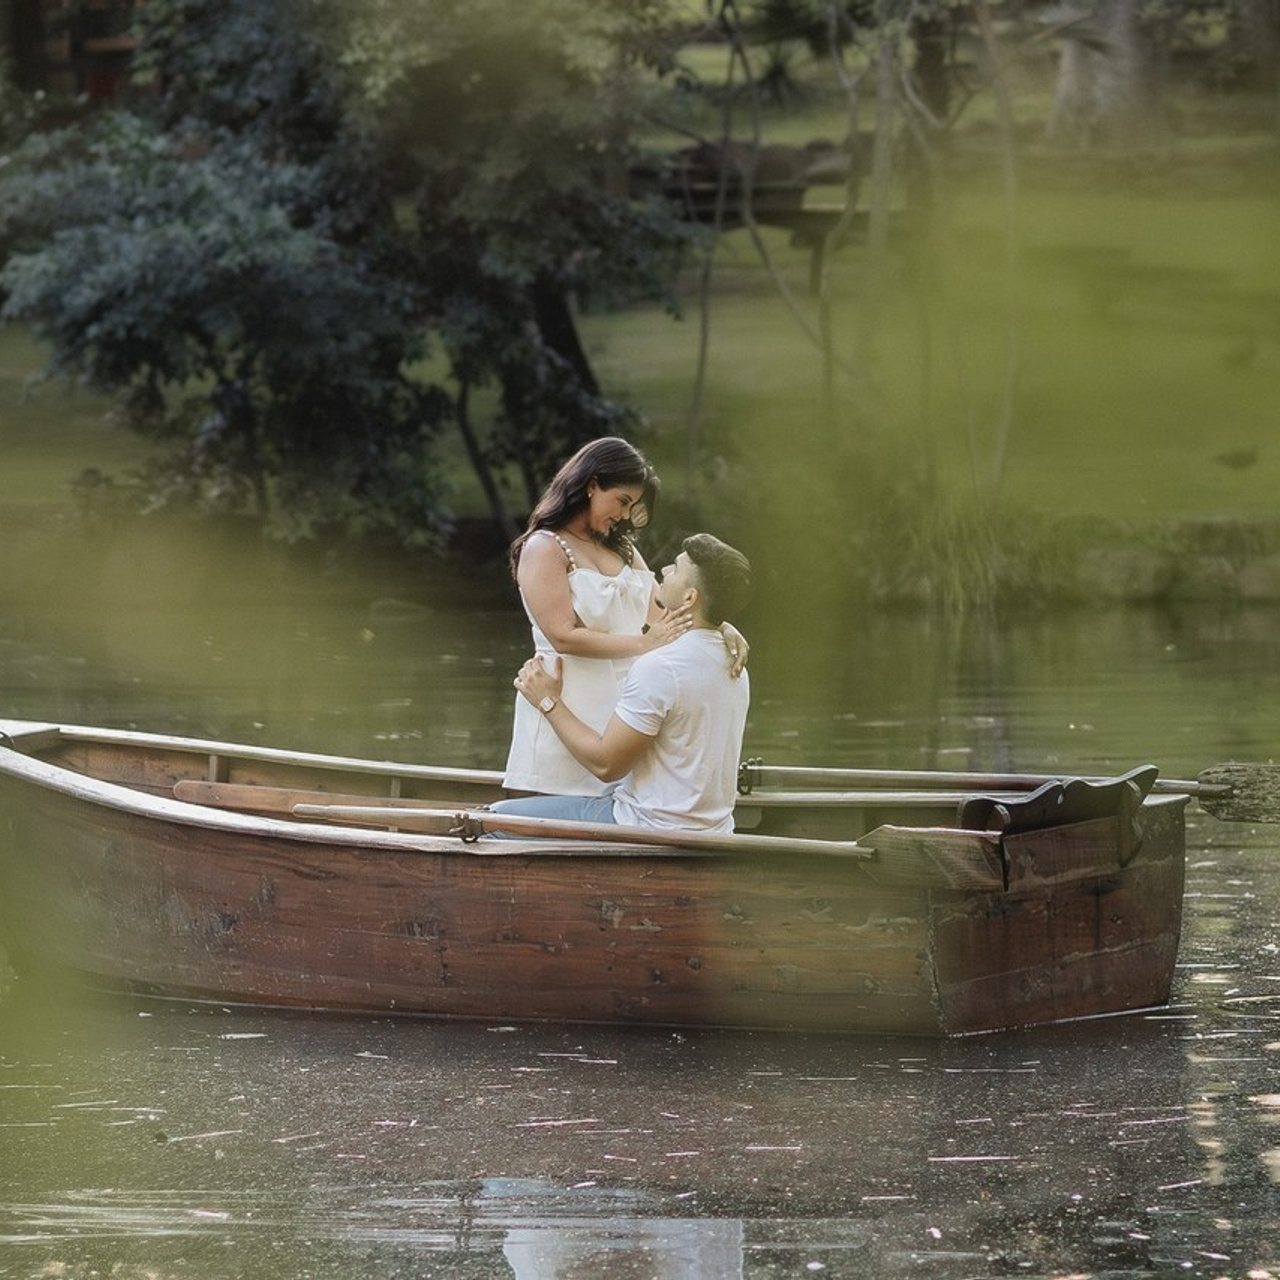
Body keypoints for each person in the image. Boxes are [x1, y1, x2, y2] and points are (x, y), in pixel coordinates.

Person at [502, 438, 747, 798]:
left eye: (632, 505)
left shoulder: (623, 549)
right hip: (567, 701)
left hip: (625, 712)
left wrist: (723, 626)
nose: (625, 514)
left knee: (617, 810)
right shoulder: (545, 547)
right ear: (592, 485)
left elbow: (667, 610)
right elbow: (563, 635)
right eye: (622, 501)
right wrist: (644, 643)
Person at [492, 533, 752, 834]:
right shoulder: (734, 662)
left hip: (648, 826)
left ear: (690, 598)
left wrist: (547, 701)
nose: (665, 571)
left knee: (492, 821)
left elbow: (607, 766)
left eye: (676, 569)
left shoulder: (660, 666)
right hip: (714, 829)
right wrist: (723, 623)